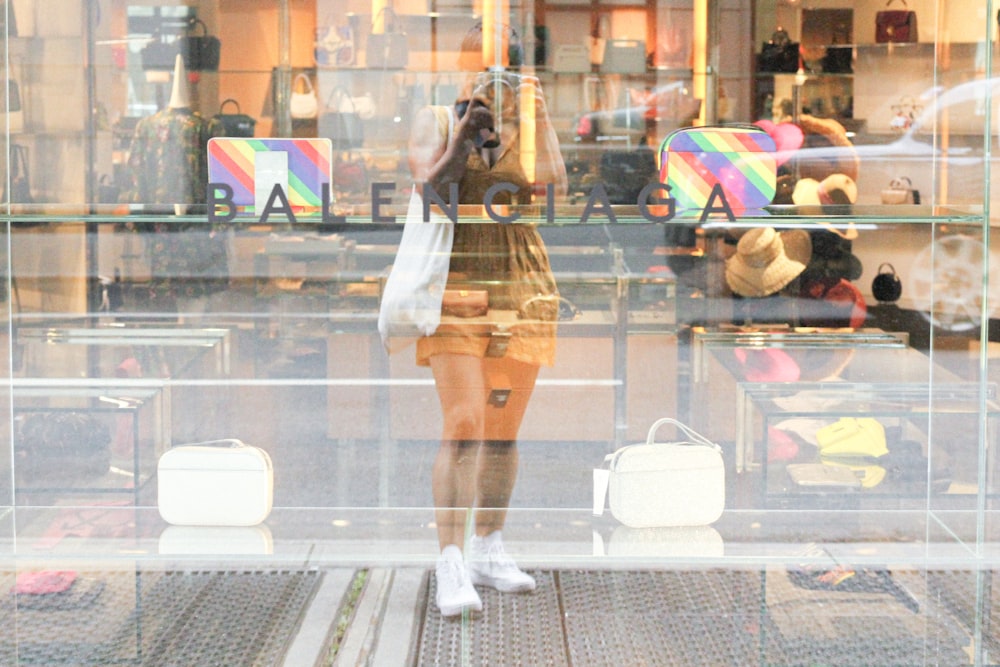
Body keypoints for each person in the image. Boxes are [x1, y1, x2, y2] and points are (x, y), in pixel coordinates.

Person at [406, 22, 567, 617]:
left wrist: (540, 119)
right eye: (481, 67)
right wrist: (464, 136)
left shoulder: (528, 124)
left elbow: (557, 187)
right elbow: (429, 194)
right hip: (456, 282)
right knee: (465, 421)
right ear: (462, 67)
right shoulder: (438, 119)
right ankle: (449, 560)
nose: (491, 81)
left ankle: (488, 546)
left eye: (504, 70)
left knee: (502, 430)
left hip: (522, 279)